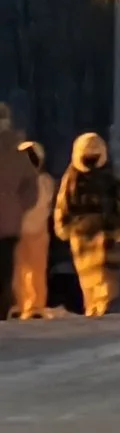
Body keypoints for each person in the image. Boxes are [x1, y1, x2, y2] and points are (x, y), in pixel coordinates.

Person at [54, 133, 120, 317]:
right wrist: (63, 226)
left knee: (108, 280)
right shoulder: (72, 177)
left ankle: (107, 309)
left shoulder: (110, 175)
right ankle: (95, 311)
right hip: (83, 237)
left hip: (106, 235)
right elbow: (63, 205)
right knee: (89, 281)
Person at [11, 141, 52, 318]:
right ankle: (20, 305)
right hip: (20, 232)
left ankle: (34, 307)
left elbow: (42, 205)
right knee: (19, 272)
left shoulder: (43, 181)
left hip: (35, 232)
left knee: (34, 271)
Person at [0, 115, 34, 315]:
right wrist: (20, 206)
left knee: (5, 270)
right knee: (5, 271)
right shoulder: (17, 154)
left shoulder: (16, 154)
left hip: (9, 223)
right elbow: (31, 187)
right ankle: (2, 309)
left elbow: (30, 187)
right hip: (10, 224)